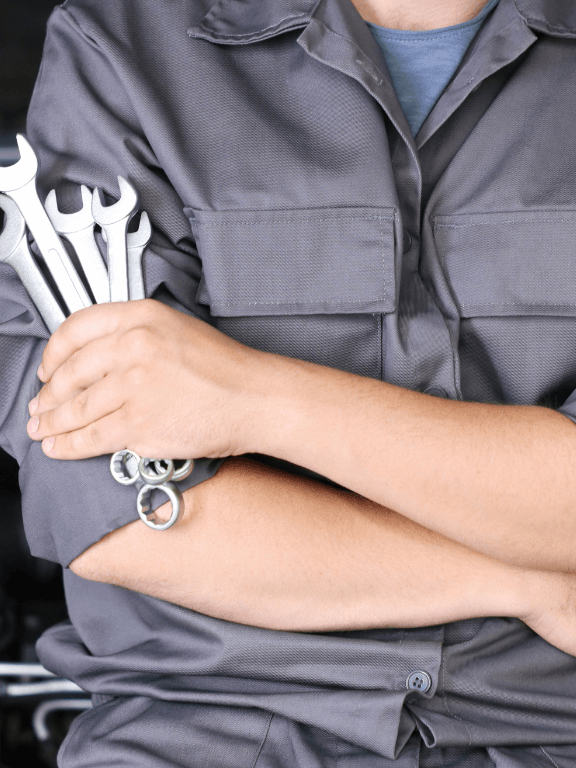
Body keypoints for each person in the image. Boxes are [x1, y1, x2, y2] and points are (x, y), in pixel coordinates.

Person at [1, 0, 576, 764]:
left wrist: (252, 398)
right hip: (206, 733)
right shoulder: (124, 45)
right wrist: (533, 582)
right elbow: (123, 518)